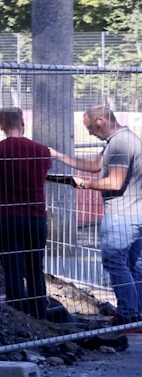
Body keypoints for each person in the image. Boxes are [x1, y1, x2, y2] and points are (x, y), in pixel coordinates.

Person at [52, 104, 142, 331]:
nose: (91, 133)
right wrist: (58, 156)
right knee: (133, 266)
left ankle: (129, 316)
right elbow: (94, 165)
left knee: (115, 262)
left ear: (101, 120)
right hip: (135, 213)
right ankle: (136, 314)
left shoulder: (121, 143)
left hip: (122, 215)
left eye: (91, 127)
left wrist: (86, 185)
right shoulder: (121, 140)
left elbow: (115, 182)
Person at [0, 108, 68, 322]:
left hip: (7, 217)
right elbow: (43, 171)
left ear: (0, 124)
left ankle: (19, 319)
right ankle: (39, 317)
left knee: (12, 269)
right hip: (35, 217)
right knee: (35, 268)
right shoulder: (41, 150)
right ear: (23, 121)